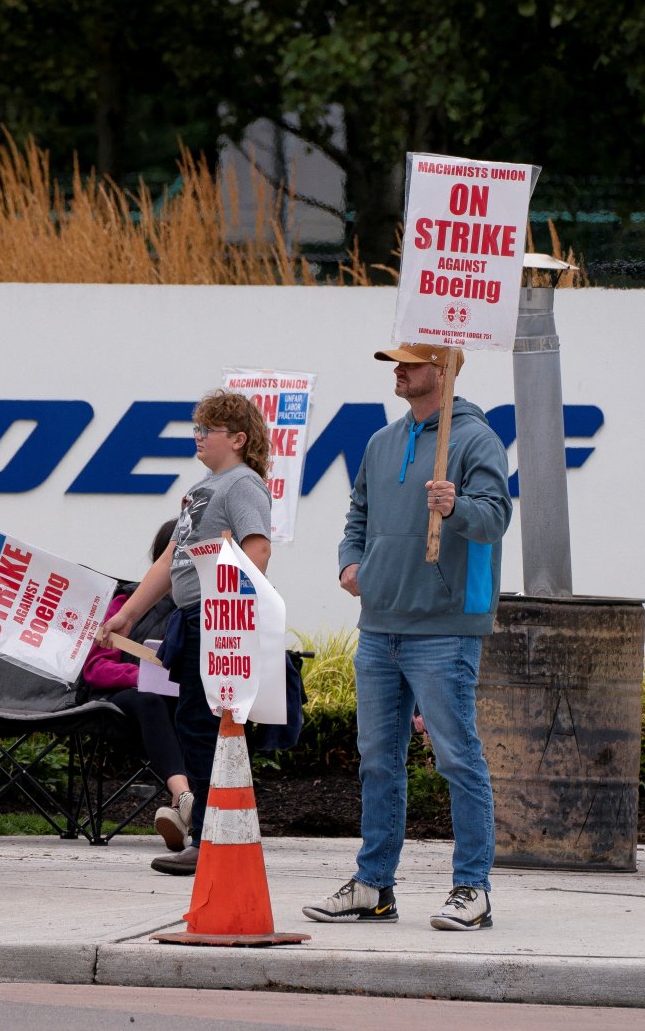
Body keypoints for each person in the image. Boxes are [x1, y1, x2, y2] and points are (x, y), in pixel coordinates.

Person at [303, 342, 511, 931]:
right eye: (395, 363)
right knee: (377, 762)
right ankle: (374, 887)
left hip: (445, 629)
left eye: (411, 363)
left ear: (442, 371)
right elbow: (358, 518)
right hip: (380, 627)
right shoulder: (381, 442)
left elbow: (495, 517)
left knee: (457, 758)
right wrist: (350, 564)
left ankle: (473, 889)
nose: (398, 371)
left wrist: (458, 506)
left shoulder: (476, 439)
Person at [98, 389, 273, 876]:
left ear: (237, 439)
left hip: (216, 617)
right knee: (196, 722)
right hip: (195, 615)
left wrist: (229, 611)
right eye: (196, 429)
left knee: (203, 723)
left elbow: (257, 550)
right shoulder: (202, 489)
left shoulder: (242, 485)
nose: (197, 437)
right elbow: (169, 560)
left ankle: (211, 838)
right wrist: (128, 616)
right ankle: (210, 834)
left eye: (207, 430)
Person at [80, 520, 195, 850]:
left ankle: (180, 808)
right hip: (121, 700)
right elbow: (95, 668)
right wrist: (144, 677)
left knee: (192, 708)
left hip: (176, 704)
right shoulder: (125, 603)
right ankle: (184, 798)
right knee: (149, 699)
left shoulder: (199, 614)